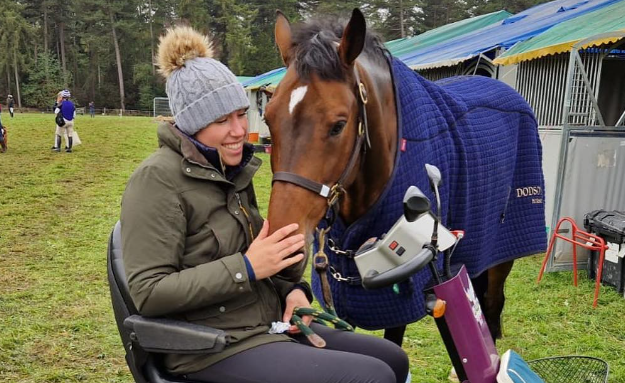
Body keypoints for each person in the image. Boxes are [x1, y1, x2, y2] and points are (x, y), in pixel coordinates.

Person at [120, 26, 409, 383]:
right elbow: (148, 293)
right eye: (222, 120)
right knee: (371, 377)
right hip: (210, 346)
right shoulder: (156, 180)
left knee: (393, 359)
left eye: (241, 114)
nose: (239, 130)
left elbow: (265, 262)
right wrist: (246, 267)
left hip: (263, 323)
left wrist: (294, 291)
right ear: (192, 126)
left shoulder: (232, 173)